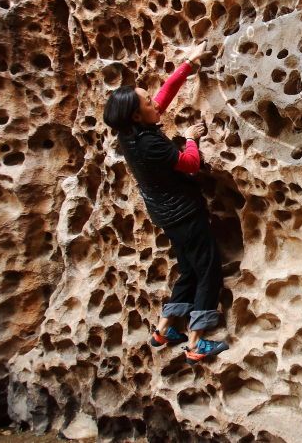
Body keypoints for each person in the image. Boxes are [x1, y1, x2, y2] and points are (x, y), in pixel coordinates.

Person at [102, 41, 229, 365]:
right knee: (208, 269)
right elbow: (190, 164)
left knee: (187, 270)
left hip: (164, 213)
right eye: (147, 101)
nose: (154, 102)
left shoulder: (130, 132)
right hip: (184, 213)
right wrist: (190, 137)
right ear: (136, 113)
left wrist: (188, 63)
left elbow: (162, 98)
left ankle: (164, 329)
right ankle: (197, 341)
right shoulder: (149, 145)